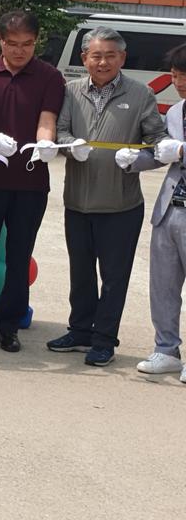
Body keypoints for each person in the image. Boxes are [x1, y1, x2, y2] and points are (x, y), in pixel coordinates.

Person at [47, 27, 167, 366]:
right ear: (84, 58)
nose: (102, 62)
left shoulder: (140, 94)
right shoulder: (71, 90)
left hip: (121, 205)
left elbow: (157, 144)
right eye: (96, 56)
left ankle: (104, 339)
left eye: (110, 55)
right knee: (80, 271)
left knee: (114, 277)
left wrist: (137, 161)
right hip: (78, 201)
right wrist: (72, 146)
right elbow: (61, 130)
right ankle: (81, 330)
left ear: (122, 58)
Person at [0, 11, 65, 352]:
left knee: (19, 256)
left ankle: (9, 326)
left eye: (28, 44)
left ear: (36, 41)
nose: (20, 51)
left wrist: (45, 142)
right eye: (12, 44)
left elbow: (47, 118)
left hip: (30, 182)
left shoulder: (49, 76)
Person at [129, 43, 186, 382]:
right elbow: (163, 154)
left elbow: (176, 151)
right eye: (177, 75)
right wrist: (132, 161)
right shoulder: (177, 112)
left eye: (185, 75)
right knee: (163, 286)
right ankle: (166, 349)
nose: (180, 82)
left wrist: (180, 148)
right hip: (170, 208)